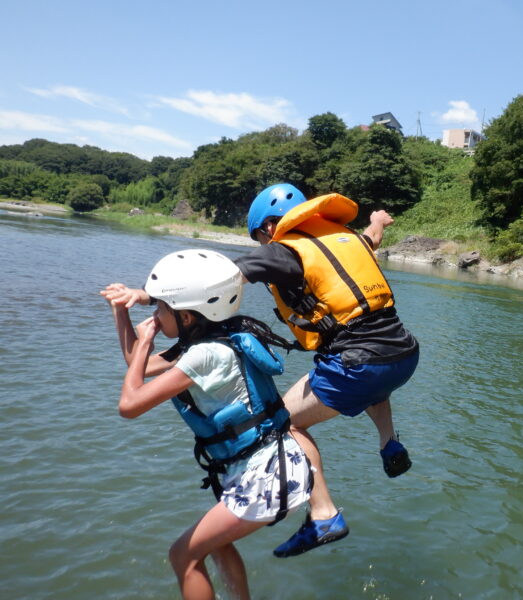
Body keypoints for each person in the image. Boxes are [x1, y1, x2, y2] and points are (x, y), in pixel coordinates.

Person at [101, 249, 313, 600]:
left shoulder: (202, 356)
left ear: (186, 316)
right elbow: (135, 363)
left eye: (161, 308)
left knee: (182, 555)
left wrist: (145, 343)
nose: (155, 314)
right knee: (216, 545)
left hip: (264, 478)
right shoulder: (217, 337)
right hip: (276, 467)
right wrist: (121, 314)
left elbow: (129, 404)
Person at [236, 183, 420, 558]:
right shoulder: (344, 237)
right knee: (373, 383)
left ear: (270, 226)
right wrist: (378, 220)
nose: (263, 247)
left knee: (283, 422)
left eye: (260, 237)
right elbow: (372, 239)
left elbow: (221, 275)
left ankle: (323, 514)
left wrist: (149, 295)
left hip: (359, 363)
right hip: (403, 354)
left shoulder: (284, 251)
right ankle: (389, 442)